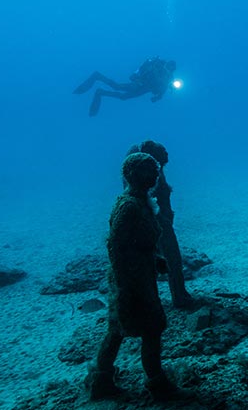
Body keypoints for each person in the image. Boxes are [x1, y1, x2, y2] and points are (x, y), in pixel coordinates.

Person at [87, 152, 188, 401]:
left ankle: (101, 379)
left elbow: (137, 242)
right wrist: (126, 285)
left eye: (154, 170)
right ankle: (157, 383)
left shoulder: (141, 202)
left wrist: (155, 261)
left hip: (139, 277)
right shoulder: (130, 206)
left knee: (117, 329)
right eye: (147, 170)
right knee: (151, 328)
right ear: (132, 175)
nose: (154, 175)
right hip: (132, 282)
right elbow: (116, 246)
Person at [130, 140, 193, 308]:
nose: (167, 154)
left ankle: (178, 296)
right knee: (171, 260)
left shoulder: (157, 172)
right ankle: (174, 298)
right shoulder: (147, 175)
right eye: (163, 151)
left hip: (162, 223)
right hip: (158, 225)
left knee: (173, 261)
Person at [74, 57, 177, 117]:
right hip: (138, 83)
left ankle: (101, 92)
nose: (167, 69)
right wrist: (137, 77)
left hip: (143, 90)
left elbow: (161, 92)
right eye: (168, 66)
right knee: (117, 87)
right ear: (166, 64)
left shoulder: (168, 79)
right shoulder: (157, 65)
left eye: (170, 69)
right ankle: (97, 76)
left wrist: (157, 98)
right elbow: (143, 69)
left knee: (123, 97)